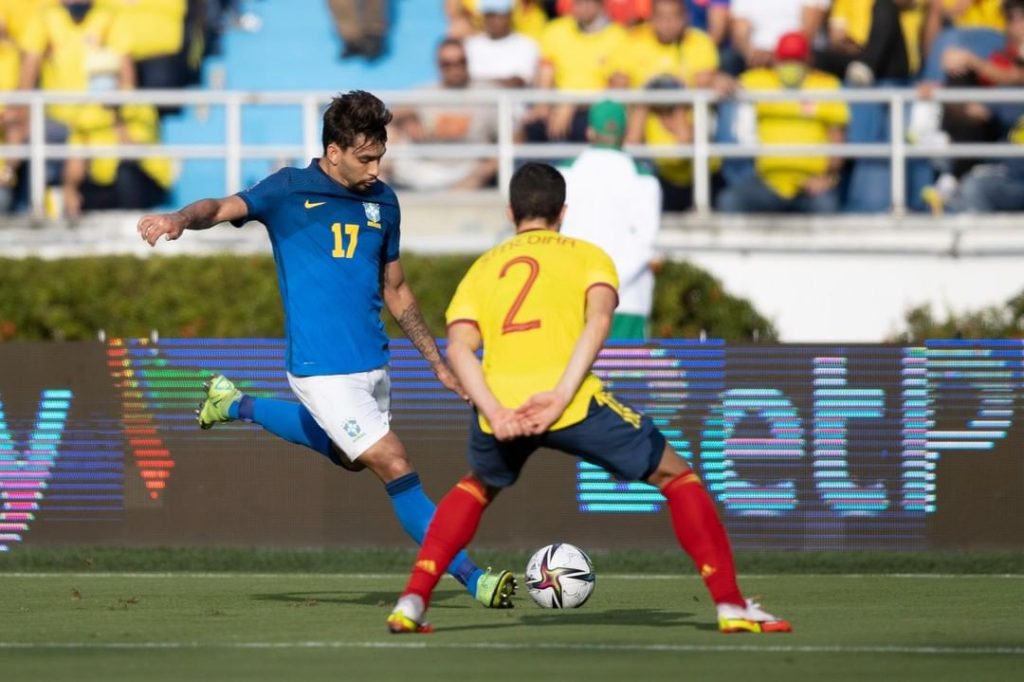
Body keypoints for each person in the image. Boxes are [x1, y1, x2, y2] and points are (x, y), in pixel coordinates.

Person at [136, 90, 515, 609]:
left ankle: (234, 403)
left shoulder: (384, 200)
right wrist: (179, 218)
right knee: (395, 464)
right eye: (365, 157)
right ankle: (475, 579)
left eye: (380, 156)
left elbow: (396, 288)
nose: (375, 167)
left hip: (373, 364)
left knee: (349, 456)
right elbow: (219, 207)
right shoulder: (288, 189)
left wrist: (440, 364)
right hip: (321, 370)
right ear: (333, 151)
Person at [386, 162, 792, 635]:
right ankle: (731, 606)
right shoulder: (587, 255)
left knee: (477, 486)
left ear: (510, 211)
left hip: (503, 405)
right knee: (677, 477)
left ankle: (411, 603)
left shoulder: (484, 267)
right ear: (563, 211)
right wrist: (560, 396)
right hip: (572, 401)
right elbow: (599, 322)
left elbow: (458, 348)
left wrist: (494, 411)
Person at [558, 101, 661, 340]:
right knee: (624, 375)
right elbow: (646, 244)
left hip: (576, 298)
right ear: (624, 133)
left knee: (575, 375)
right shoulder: (644, 178)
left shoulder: (565, 173)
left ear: (590, 131)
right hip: (627, 299)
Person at [717, 31, 849, 213]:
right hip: (766, 182)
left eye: (796, 60)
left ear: (808, 61)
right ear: (776, 61)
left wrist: (827, 178)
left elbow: (837, 140)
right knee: (730, 201)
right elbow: (726, 83)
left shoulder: (826, 85)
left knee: (826, 204)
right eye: (786, 60)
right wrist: (720, 80)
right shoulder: (759, 81)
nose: (790, 66)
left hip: (811, 185)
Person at [387, 38, 498, 191]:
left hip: (470, 170)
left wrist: (489, 167)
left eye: (460, 62)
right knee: (388, 134)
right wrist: (408, 118)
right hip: (428, 169)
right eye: (447, 64)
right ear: (438, 65)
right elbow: (389, 116)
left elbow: (515, 136)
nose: (455, 68)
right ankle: (373, 199)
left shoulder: (487, 95)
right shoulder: (424, 93)